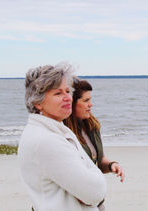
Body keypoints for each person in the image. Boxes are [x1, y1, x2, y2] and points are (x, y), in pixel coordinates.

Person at [18, 63, 107, 211]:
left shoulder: (56, 131)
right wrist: (93, 181)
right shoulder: (46, 140)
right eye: (58, 93)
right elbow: (95, 192)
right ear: (37, 102)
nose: (68, 98)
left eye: (67, 91)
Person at [63, 78, 124, 210]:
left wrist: (111, 165)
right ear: (71, 103)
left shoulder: (91, 127)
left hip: (95, 203)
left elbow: (97, 159)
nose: (91, 104)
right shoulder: (63, 134)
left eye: (90, 99)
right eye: (86, 101)